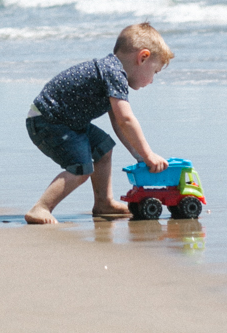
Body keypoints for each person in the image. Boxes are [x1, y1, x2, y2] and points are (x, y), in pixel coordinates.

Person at [23, 22, 172, 224]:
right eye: (154, 72)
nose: (152, 80)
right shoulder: (113, 73)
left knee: (103, 148)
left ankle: (104, 203)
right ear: (143, 57)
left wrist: (138, 156)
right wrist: (149, 154)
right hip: (49, 121)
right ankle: (41, 207)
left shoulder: (110, 71)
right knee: (81, 168)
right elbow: (126, 119)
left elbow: (119, 124)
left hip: (67, 121)